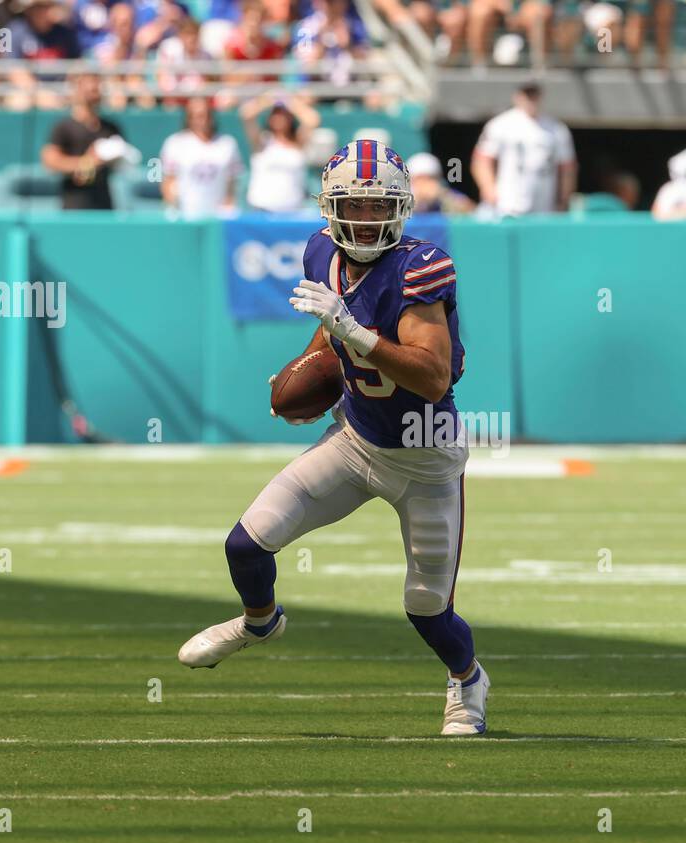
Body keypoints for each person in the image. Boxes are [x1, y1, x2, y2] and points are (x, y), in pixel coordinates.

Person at [177, 139, 490, 736]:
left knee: (426, 608)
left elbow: (431, 377)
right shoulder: (321, 251)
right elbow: (330, 339)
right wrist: (306, 373)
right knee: (245, 545)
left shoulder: (421, 266)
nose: (366, 219)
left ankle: (468, 679)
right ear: (330, 206)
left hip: (425, 455)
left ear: (400, 209)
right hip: (354, 440)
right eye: (355, 205)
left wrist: (355, 331)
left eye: (379, 207)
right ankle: (259, 620)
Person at [470, 82, 575, 216]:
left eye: (534, 95)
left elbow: (567, 167)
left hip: (544, 204)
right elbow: (482, 160)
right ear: (517, 97)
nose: (531, 100)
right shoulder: (500, 124)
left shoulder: (557, 129)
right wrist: (488, 188)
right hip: (509, 204)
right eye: (527, 95)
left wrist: (564, 198)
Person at [41, 73, 129, 210]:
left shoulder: (111, 128)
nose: (93, 89)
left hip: (104, 204)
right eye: (87, 84)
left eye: (96, 85)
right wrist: (88, 162)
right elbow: (50, 160)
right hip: (74, 205)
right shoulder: (63, 127)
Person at [160, 95, 243, 218]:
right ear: (189, 118)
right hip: (186, 214)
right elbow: (167, 181)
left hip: (217, 216)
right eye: (197, 116)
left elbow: (232, 183)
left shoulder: (228, 144)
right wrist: (173, 209)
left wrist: (228, 208)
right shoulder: (174, 143)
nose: (203, 120)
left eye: (206, 115)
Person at [241, 91, 319, 213]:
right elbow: (246, 115)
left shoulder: (298, 143)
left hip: (292, 211)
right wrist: (268, 99)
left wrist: (289, 101)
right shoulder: (261, 142)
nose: (279, 118)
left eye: (284, 114)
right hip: (261, 210)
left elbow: (313, 120)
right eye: (276, 114)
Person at [407, 151, 473, 214]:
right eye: (420, 179)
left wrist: (442, 196)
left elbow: (470, 210)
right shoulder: (404, 197)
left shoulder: (444, 195)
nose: (425, 183)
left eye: (430, 178)